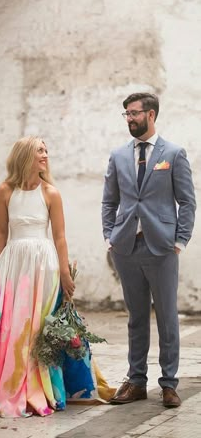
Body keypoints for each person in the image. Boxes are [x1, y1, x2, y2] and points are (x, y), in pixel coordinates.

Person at [0, 136, 113, 418]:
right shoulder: (5, 190)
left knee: (37, 325)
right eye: (39, 151)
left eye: (46, 150)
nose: (45, 155)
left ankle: (43, 384)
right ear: (24, 156)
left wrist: (66, 273)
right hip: (13, 264)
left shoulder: (50, 193)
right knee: (9, 325)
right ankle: (5, 382)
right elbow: (0, 232)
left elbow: (59, 237)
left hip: (44, 264)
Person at [102, 92, 196, 408]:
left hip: (162, 248)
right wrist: (109, 237)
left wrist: (180, 241)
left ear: (150, 114)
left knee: (167, 318)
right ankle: (136, 381)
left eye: (134, 113)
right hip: (126, 247)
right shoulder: (118, 155)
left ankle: (169, 384)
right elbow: (109, 200)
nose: (129, 118)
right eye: (126, 114)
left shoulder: (174, 153)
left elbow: (187, 201)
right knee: (136, 317)